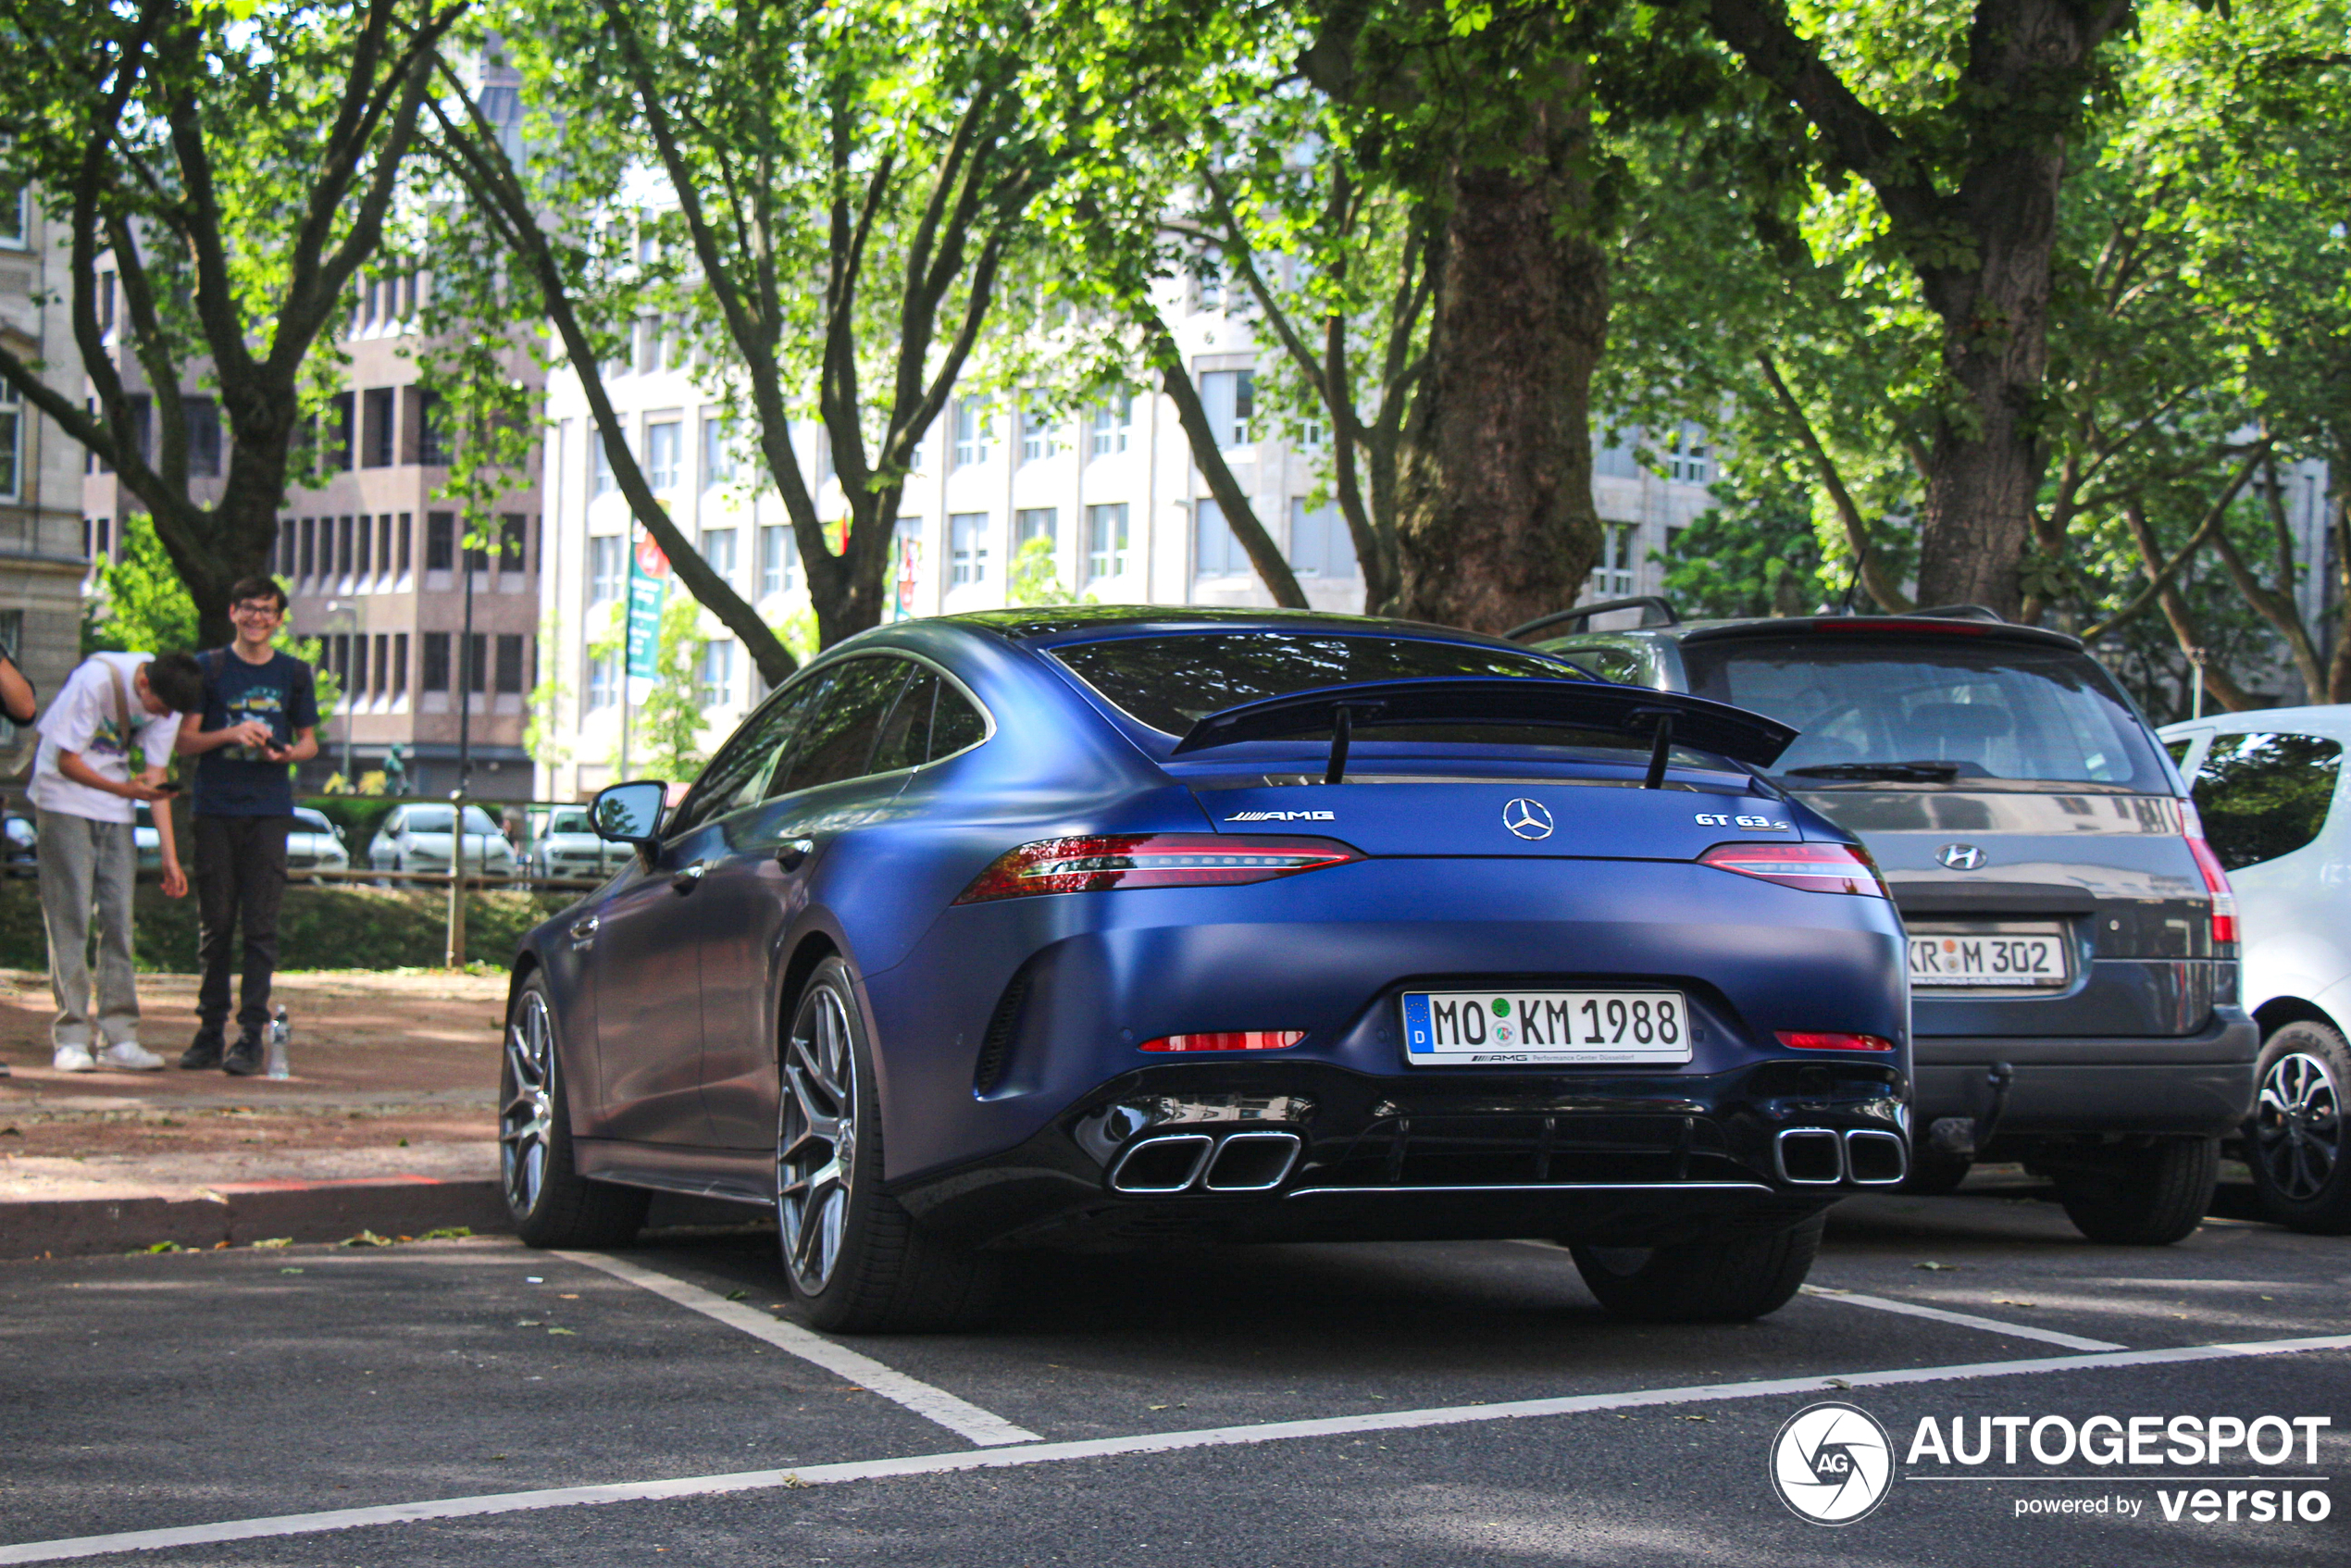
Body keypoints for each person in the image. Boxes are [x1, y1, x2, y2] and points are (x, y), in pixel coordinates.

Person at [30, 649, 202, 1072]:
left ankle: (119, 1035)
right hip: (63, 799)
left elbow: (156, 778)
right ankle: (71, 1036)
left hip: (116, 810)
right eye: (159, 709)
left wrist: (170, 856)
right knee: (70, 918)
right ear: (143, 684)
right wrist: (126, 791)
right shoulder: (95, 681)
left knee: (118, 919)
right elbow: (66, 760)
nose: (163, 720)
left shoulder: (170, 699)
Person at [175, 578, 319, 1076]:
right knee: (215, 925)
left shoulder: (294, 674)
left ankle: (250, 1036)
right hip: (215, 807)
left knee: (261, 927)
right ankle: (208, 1030)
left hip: (269, 808)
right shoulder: (208, 667)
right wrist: (232, 733)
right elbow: (185, 741)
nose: (258, 618)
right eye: (249, 609)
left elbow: (309, 744)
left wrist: (280, 751)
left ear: (279, 619)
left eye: (268, 611)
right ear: (233, 613)